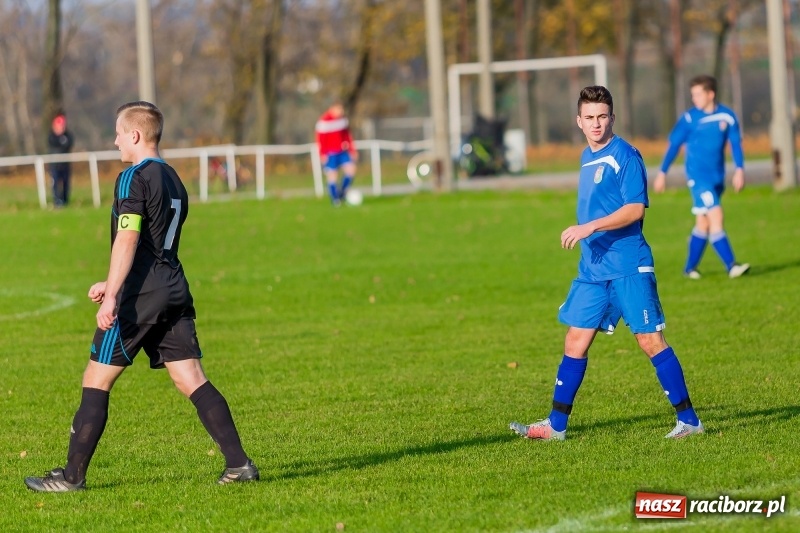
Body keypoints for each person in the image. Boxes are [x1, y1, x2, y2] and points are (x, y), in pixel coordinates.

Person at [24, 101, 259, 492]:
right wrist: (110, 278)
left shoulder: (133, 177)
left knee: (96, 378)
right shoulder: (173, 178)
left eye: (118, 133)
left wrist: (114, 293)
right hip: (173, 286)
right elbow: (151, 244)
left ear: (134, 135)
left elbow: (129, 237)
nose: (114, 141)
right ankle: (239, 465)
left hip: (141, 296)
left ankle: (71, 478)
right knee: (190, 378)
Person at [510, 86, 703, 441]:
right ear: (579, 121)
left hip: (628, 266)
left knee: (650, 341)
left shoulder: (626, 155)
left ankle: (689, 421)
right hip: (594, 269)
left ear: (612, 118)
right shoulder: (587, 155)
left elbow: (635, 208)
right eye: (590, 118)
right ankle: (556, 426)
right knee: (574, 340)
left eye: (602, 117)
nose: (596, 124)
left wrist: (589, 226)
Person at [653, 74, 750, 279]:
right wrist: (662, 172)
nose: (694, 98)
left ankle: (690, 269)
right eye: (692, 95)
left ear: (710, 94)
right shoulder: (689, 119)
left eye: (698, 94)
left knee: (703, 224)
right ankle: (732, 266)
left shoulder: (727, 117)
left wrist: (740, 169)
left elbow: (735, 144)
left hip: (717, 178)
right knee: (716, 216)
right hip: (698, 178)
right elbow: (674, 146)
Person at [315, 102, 358, 205]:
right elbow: (320, 140)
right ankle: (335, 199)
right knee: (332, 176)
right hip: (330, 153)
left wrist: (352, 149)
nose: (341, 112)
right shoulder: (323, 122)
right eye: (339, 109)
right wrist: (322, 154)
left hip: (342, 151)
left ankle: (342, 192)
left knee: (351, 170)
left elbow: (347, 135)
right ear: (332, 109)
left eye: (342, 109)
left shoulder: (342, 120)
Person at [47, 113, 75, 207]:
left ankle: (65, 200)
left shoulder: (68, 135)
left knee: (66, 182)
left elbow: (68, 144)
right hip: (55, 164)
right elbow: (55, 145)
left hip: (65, 164)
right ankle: (57, 200)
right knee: (55, 182)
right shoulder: (51, 136)